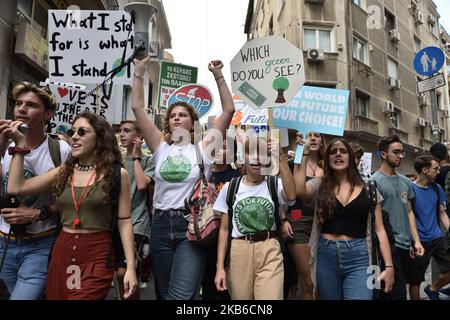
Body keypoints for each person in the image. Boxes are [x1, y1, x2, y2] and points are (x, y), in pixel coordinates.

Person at [131, 56, 235, 300]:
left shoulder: (203, 148)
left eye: (183, 115)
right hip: (159, 226)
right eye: (172, 115)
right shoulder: (160, 147)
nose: (176, 117)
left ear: (192, 124)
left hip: (191, 226)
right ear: (168, 122)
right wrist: (139, 71)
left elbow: (229, 110)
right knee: (165, 294)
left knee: (181, 296)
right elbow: (137, 108)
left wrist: (218, 74)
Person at [6, 112, 137, 300]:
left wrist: (130, 267)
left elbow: (124, 221)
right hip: (62, 252)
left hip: (98, 254)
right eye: (72, 131)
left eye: (82, 132)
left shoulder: (117, 174)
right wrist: (20, 147)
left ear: (100, 138)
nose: (74, 136)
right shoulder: (63, 172)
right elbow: (16, 187)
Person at [295, 136, 394, 300]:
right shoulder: (320, 184)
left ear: (350, 157)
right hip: (326, 256)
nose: (338, 155)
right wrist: (303, 153)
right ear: (327, 159)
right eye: (333, 152)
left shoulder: (369, 187)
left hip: (360, 257)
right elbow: (299, 191)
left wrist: (389, 266)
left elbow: (380, 229)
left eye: (343, 151)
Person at [0, 82, 70, 300]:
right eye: (18, 103)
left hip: (39, 244)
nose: (21, 109)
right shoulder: (5, 145)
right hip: (3, 242)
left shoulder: (60, 150)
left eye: (31, 105)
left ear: (47, 114)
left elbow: (73, 200)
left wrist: (37, 213)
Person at [214, 137, 296, 299]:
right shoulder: (230, 188)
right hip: (238, 251)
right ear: (243, 157)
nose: (257, 158)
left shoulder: (274, 184)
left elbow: (292, 195)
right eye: (251, 152)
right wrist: (220, 267)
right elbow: (223, 230)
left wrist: (280, 156)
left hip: (269, 249)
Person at [370, 135, 424, 300]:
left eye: (402, 153)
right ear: (384, 154)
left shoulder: (406, 182)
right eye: (396, 152)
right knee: (391, 292)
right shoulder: (373, 182)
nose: (401, 156)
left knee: (401, 290)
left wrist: (416, 241)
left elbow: (409, 212)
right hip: (385, 247)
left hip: (405, 247)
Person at [280, 132, 325, 300]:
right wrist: (283, 220)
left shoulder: (329, 166)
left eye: (317, 135)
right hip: (297, 224)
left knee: (321, 281)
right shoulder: (294, 163)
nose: (312, 138)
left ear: (322, 142)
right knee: (308, 281)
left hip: (324, 225)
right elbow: (278, 194)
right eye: (308, 135)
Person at [117, 120, 155, 299]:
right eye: (121, 131)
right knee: (117, 273)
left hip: (137, 223)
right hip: (114, 223)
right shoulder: (115, 160)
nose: (122, 134)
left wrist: (137, 157)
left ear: (139, 136)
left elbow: (141, 185)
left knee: (123, 272)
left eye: (127, 131)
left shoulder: (148, 160)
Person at [202, 138, 240, 300]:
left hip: (230, 237)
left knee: (227, 288)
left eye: (223, 148)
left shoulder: (237, 176)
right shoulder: (203, 175)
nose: (217, 150)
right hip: (206, 237)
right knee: (208, 283)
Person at [408, 155, 450, 300]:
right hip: (420, 241)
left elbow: (442, 213)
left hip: (438, 237)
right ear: (425, 170)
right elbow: (408, 215)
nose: (439, 171)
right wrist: (415, 241)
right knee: (415, 280)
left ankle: (432, 289)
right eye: (436, 169)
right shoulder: (410, 189)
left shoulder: (437, 188)